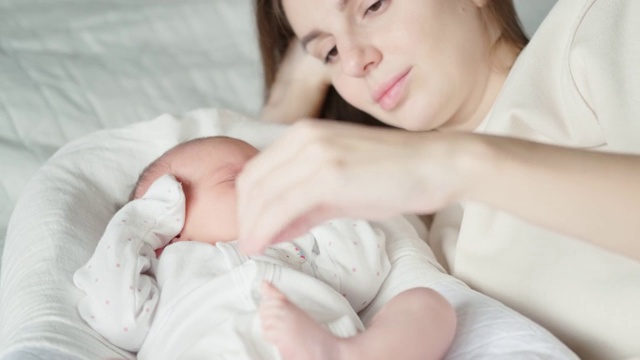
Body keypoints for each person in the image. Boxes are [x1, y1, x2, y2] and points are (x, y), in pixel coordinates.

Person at [238, 0, 640, 359]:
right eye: (329, 51)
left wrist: (454, 165)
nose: (353, 63)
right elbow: (227, 219)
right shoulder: (411, 239)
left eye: (373, 6)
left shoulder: (595, 28)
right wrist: (293, 89)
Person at [74, 136, 458, 360]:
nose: (269, 184)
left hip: (324, 345)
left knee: (428, 304)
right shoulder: (166, 271)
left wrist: (314, 199)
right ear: (171, 217)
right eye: (241, 178)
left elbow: (366, 271)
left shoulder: (300, 248)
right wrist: (143, 219)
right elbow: (115, 317)